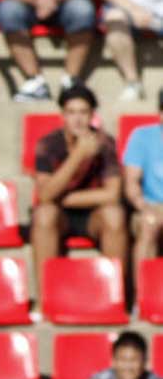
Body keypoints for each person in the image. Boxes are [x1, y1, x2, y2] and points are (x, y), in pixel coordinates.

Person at [31, 84, 127, 278]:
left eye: (83, 112)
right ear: (62, 115)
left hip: (95, 214)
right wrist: (78, 155)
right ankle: (44, 303)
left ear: (92, 115)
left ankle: (117, 299)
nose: (77, 118)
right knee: (44, 215)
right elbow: (44, 195)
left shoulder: (105, 143)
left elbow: (113, 194)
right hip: (60, 216)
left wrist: (61, 197)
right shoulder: (48, 144)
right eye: (71, 112)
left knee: (115, 215)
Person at [122, 89, 163, 282]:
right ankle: (143, 299)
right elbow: (131, 185)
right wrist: (145, 208)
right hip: (151, 205)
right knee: (149, 223)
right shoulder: (142, 137)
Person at [81, 331, 163, 379]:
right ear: (113, 361)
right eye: (122, 359)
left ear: (145, 362)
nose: (128, 367)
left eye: (134, 360)